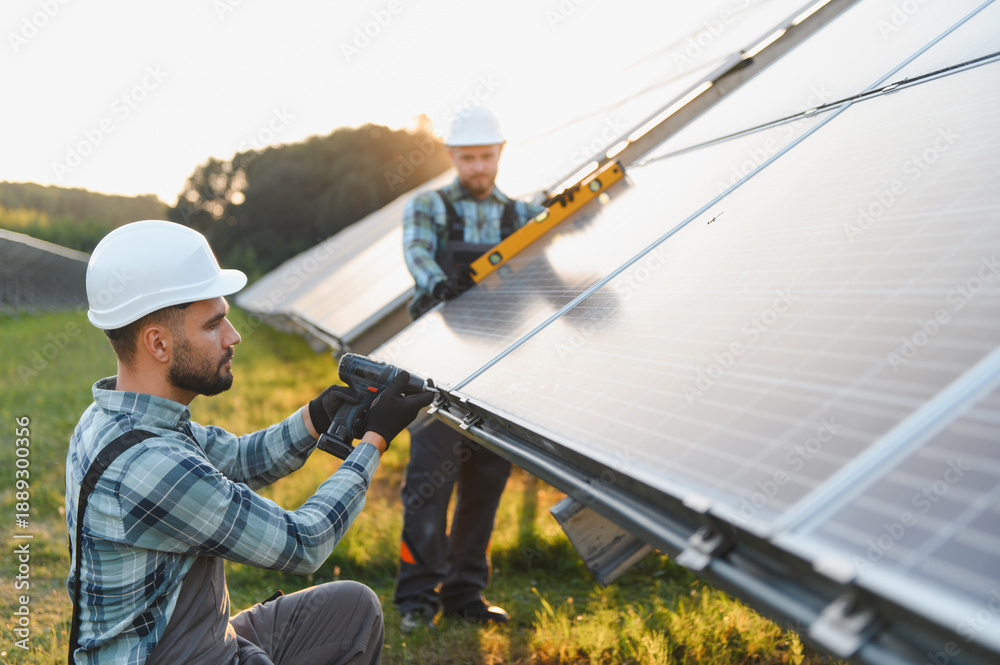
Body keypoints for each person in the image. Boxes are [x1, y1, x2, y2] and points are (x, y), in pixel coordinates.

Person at [66, 220, 433, 665]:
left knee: (352, 608)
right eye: (213, 324)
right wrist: (375, 440)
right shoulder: (150, 465)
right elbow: (303, 544)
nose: (233, 336)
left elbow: (238, 459)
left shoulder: (115, 417)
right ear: (158, 343)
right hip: (166, 657)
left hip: (186, 638)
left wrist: (318, 416)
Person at [396, 107, 545, 632]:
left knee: (487, 477)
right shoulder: (428, 206)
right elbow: (417, 253)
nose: (478, 167)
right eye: (468, 157)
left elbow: (544, 271)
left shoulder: (523, 214)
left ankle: (466, 593)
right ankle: (417, 595)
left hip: (498, 360)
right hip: (438, 364)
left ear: (500, 154)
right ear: (453, 157)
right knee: (428, 482)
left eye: (486, 156)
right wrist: (439, 284)